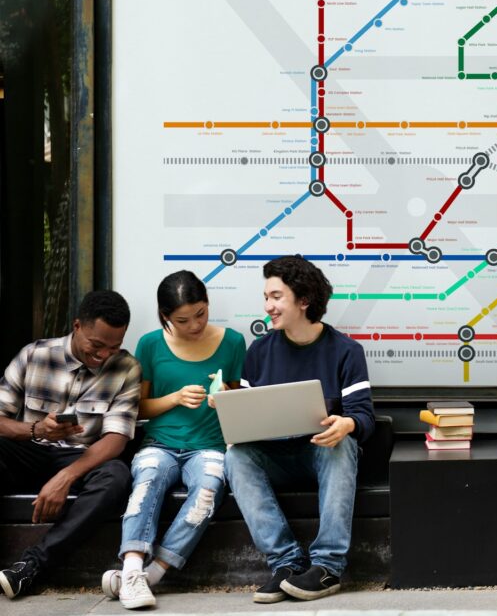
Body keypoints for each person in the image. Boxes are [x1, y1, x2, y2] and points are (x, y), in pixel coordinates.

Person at [224, 255, 374, 604]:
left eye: (276, 297)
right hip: (274, 455)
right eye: (266, 297)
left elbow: (364, 416)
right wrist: (231, 414)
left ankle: (326, 567)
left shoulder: (346, 352)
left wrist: (347, 423)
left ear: (303, 300)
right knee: (236, 456)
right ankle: (286, 563)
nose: (267, 306)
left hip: (322, 454)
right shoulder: (259, 352)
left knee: (343, 443)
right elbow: (247, 417)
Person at [99, 271, 247, 609]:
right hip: (160, 444)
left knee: (207, 491)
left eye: (201, 313)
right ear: (165, 315)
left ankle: (153, 575)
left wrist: (224, 396)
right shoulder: (150, 344)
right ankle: (133, 568)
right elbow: (136, 409)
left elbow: (239, 407)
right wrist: (176, 397)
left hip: (210, 445)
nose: (195, 325)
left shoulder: (234, 342)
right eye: (183, 319)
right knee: (147, 481)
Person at [0, 291, 140, 600]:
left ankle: (31, 566)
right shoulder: (34, 355)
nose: (104, 355)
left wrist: (66, 477)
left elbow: (116, 439)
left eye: (113, 347)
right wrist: (36, 429)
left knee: (116, 475)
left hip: (81, 458)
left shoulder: (126, 368)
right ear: (77, 326)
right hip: (30, 451)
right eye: (96, 345)